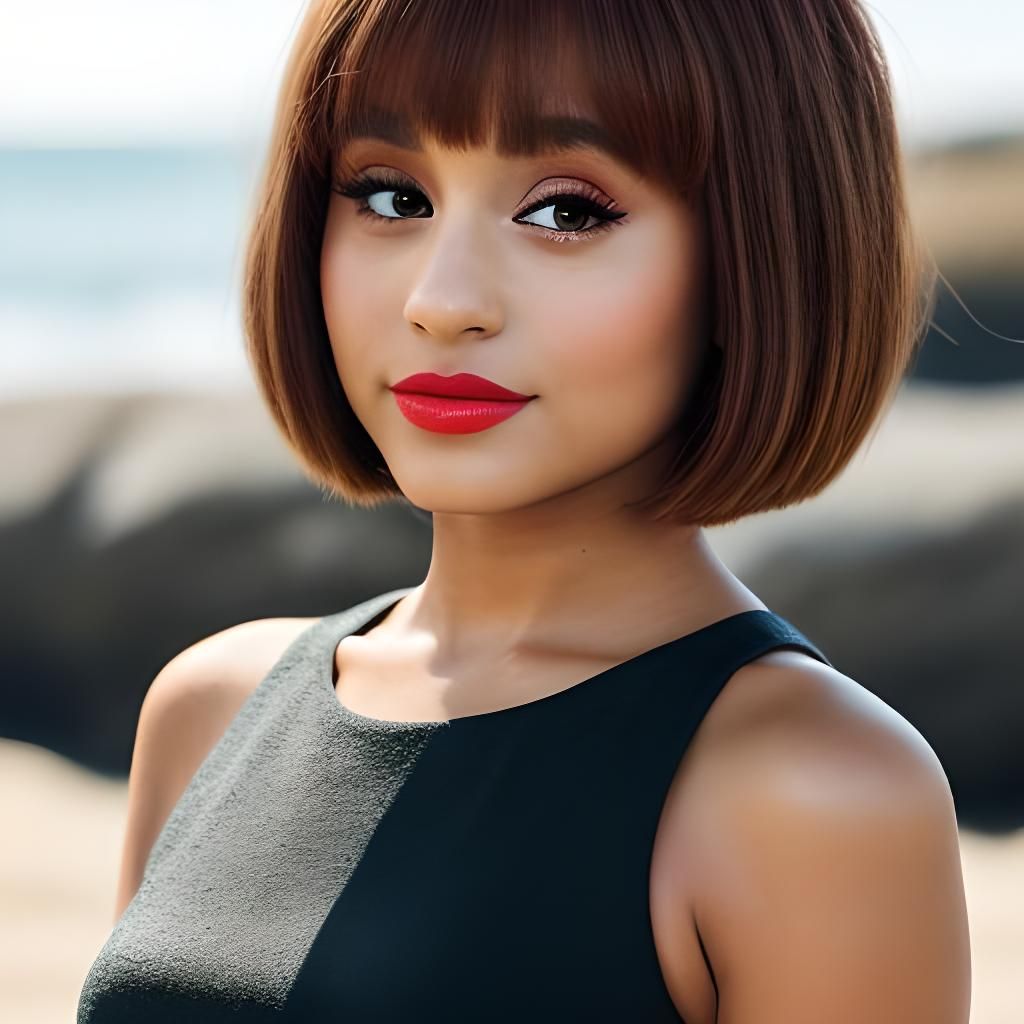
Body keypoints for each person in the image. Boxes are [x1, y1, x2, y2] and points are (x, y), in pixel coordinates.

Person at [78, 1, 972, 1021]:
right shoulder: (209, 708)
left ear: (760, 254)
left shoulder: (816, 791)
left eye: (565, 213)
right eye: (391, 196)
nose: (441, 299)